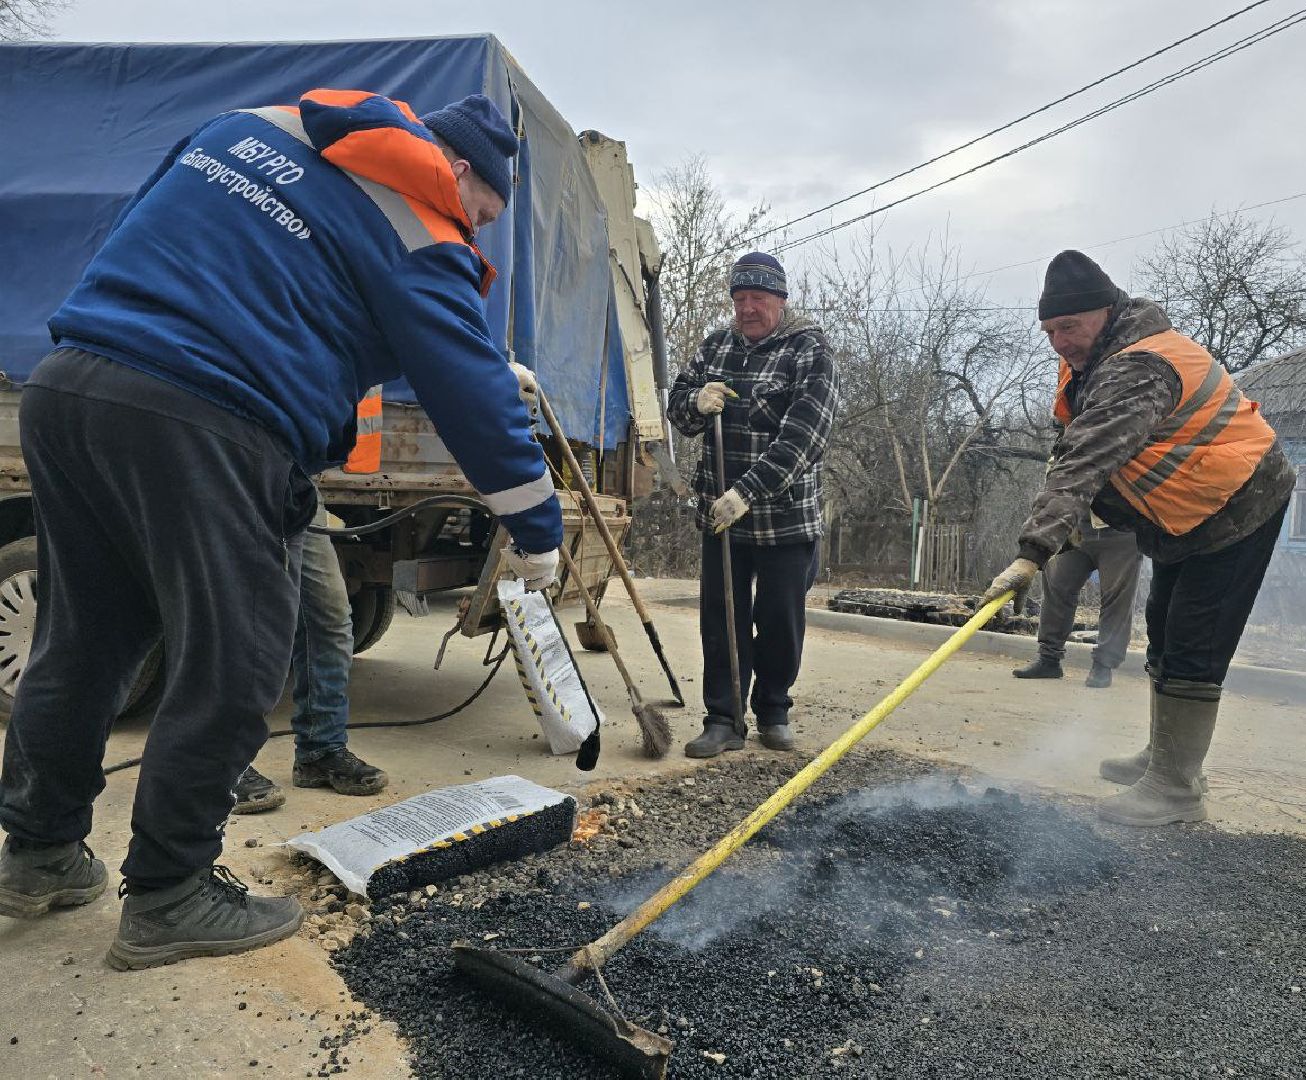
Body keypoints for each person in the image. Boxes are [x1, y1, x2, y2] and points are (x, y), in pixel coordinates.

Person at [0, 90, 562, 968]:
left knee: (85, 641)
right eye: (481, 213)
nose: (475, 235)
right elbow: (472, 397)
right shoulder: (423, 227)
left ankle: (38, 855)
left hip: (73, 383)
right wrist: (538, 529)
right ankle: (170, 894)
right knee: (240, 656)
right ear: (457, 172)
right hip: (202, 416)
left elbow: (199, 241)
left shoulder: (257, 126)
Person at [983, 250, 1294, 827]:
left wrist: (1031, 554)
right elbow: (1071, 452)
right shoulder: (1090, 361)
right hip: (1185, 512)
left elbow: (1084, 461)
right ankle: (1167, 757)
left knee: (1195, 638)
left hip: (1240, 504)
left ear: (1105, 312)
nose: (1059, 342)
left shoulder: (1138, 367)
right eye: (1049, 331)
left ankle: (1177, 787)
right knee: (1166, 623)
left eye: (1069, 327)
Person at [667, 252, 837, 758]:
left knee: (780, 620)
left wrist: (747, 491)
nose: (747, 309)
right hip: (722, 519)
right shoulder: (716, 347)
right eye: (739, 299)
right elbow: (678, 404)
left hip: (784, 516)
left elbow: (805, 438)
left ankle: (772, 711)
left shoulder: (810, 351)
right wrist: (694, 402)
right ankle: (723, 718)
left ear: (780, 301)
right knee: (722, 619)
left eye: (757, 299)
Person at [230, 496, 386, 815]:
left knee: (328, 617)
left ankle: (320, 751)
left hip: (297, 486)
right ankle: (223, 763)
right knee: (237, 621)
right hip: (233, 476)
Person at [1011, 514, 1142, 688]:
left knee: (1116, 596)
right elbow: (1056, 494)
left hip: (1123, 530)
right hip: (1078, 526)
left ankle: (1103, 665)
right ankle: (1048, 658)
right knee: (1057, 582)